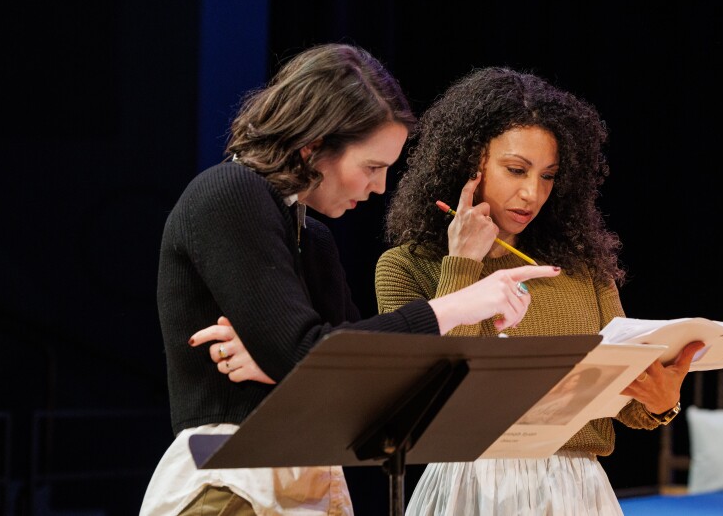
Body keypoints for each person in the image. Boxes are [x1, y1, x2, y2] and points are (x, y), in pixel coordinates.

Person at [139, 45, 560, 516]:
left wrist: (275, 364)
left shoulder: (311, 236)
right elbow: (306, 353)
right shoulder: (229, 192)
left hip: (311, 483)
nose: (379, 187)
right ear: (314, 145)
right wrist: (463, 304)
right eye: (373, 167)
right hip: (232, 484)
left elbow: (358, 377)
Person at [375, 67, 704, 515]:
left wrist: (662, 403)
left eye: (548, 176)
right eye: (516, 170)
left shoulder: (583, 268)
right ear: (470, 163)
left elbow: (627, 405)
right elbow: (433, 401)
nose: (532, 193)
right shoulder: (406, 266)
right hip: (471, 485)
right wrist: (463, 265)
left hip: (575, 487)